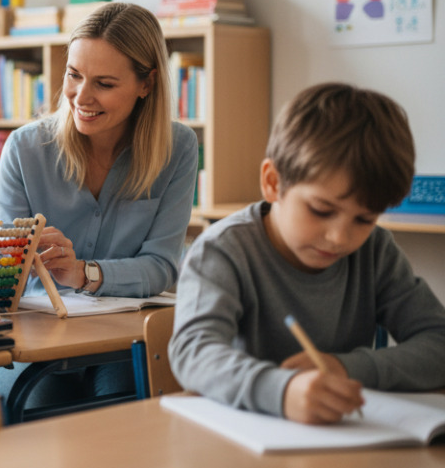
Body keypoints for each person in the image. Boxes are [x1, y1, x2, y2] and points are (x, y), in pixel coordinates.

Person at [169, 82, 445, 424]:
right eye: (320, 210)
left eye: (364, 219)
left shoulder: (375, 251)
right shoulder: (223, 251)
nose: (339, 237)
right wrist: (282, 391)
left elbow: (438, 342)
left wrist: (348, 367)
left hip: (344, 439)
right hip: (245, 440)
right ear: (273, 182)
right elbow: (193, 353)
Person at [0, 2, 199, 399]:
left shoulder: (178, 148)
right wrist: (17, 257)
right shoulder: (25, 148)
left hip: (123, 341)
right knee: (43, 412)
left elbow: (161, 267)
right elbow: (3, 272)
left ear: (146, 84)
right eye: (74, 75)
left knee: (121, 410)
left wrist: (84, 273)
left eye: (104, 83)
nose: (81, 97)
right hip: (38, 340)